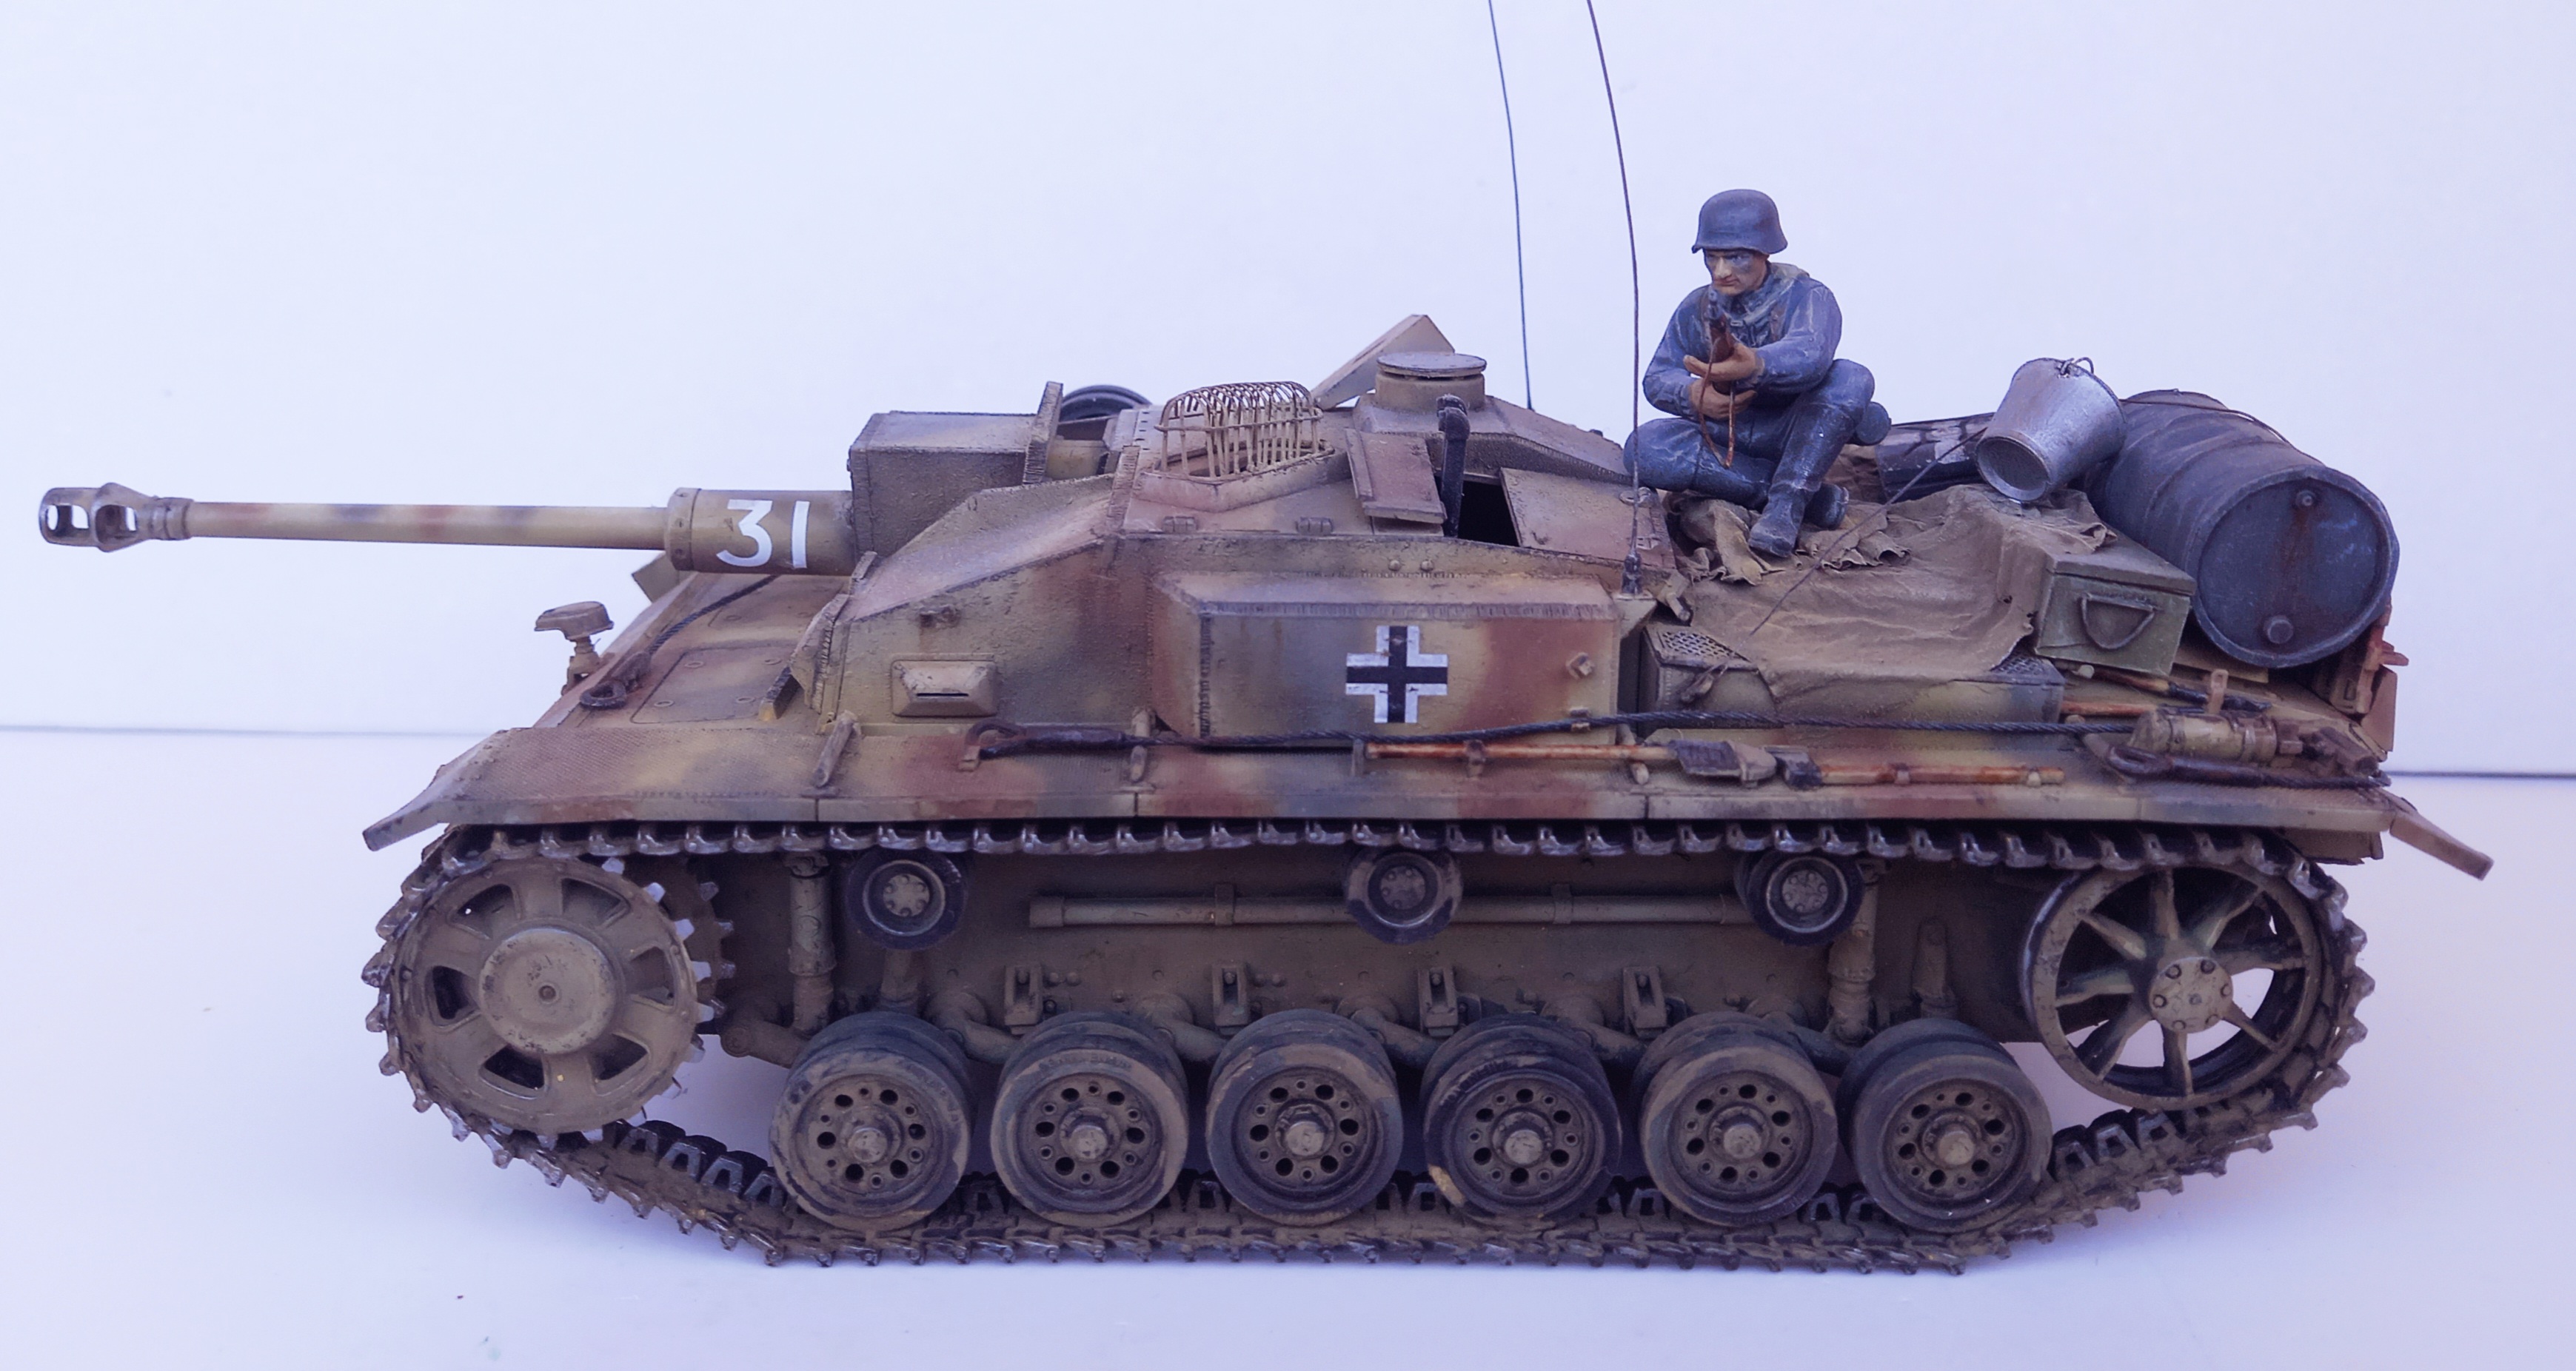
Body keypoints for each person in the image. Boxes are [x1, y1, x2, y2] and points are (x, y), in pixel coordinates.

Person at [1625, 189, 1886, 557]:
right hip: (1727, 429)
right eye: (1712, 258)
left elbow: (1811, 355)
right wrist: (1692, 395)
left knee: (1851, 378)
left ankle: (1787, 506)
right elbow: (1657, 376)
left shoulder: (1807, 296)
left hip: (1797, 425)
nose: (1721, 271)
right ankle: (1791, 496)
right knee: (1645, 448)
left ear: (1765, 252)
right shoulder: (1696, 307)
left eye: (1736, 258)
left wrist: (1756, 366)